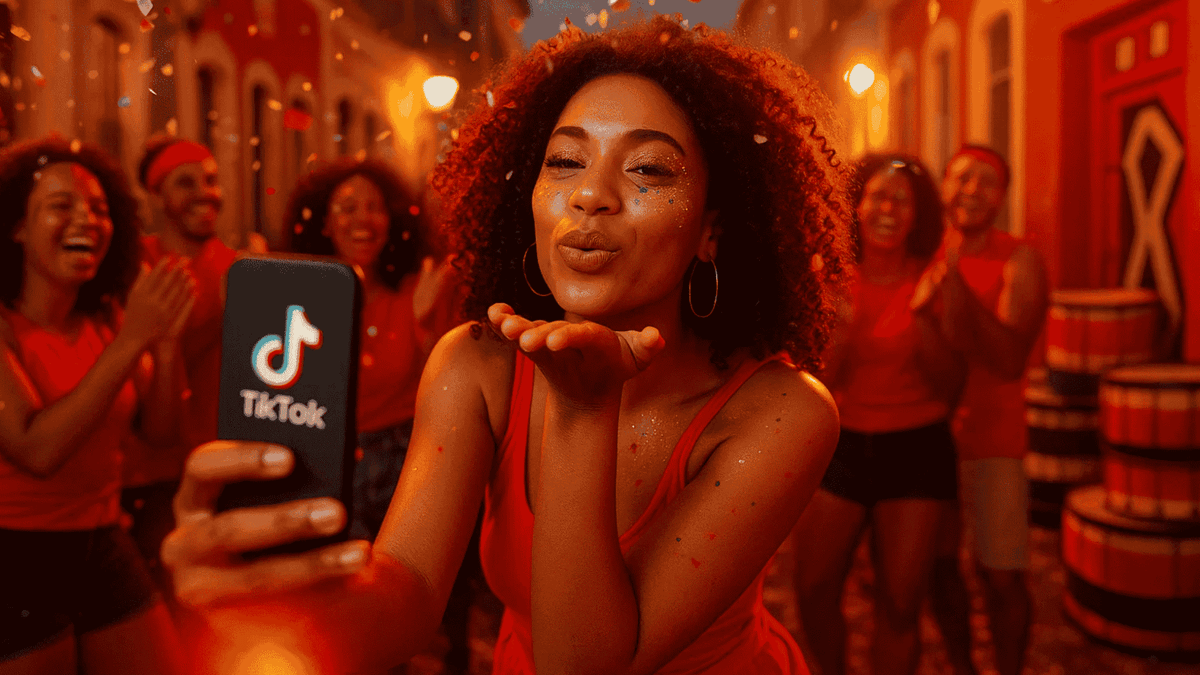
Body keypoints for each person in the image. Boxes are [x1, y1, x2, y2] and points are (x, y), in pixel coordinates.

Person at [161, 17, 851, 675]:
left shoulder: (783, 411)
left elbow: (584, 664)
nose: (591, 195)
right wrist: (285, 604)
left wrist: (582, 408)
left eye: (648, 170)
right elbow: (407, 590)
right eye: (565, 160)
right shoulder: (477, 363)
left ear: (712, 230)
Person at [0, 137, 194, 674]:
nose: (86, 219)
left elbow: (161, 434)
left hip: (103, 541)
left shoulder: (106, 319)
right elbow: (36, 450)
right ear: (16, 226)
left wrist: (166, 342)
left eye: (99, 209)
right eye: (61, 206)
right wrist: (134, 340)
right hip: (16, 554)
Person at [790, 155, 963, 675]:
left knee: (901, 604)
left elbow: (953, 387)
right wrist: (840, 324)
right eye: (878, 196)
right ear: (856, 207)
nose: (888, 208)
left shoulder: (935, 279)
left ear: (919, 215)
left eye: (902, 200)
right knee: (814, 588)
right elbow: (816, 384)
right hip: (840, 443)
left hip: (917, 448)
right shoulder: (831, 277)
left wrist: (923, 319)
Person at [914, 145, 1049, 675]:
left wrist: (956, 284)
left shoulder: (1020, 258)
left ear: (1002, 198)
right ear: (944, 187)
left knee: (1000, 574)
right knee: (939, 569)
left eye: (986, 182)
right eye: (962, 179)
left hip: (994, 443)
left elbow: (1010, 358)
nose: (971, 191)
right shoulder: (920, 252)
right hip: (927, 440)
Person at [285, 158, 459, 541]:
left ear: (392, 221)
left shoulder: (422, 286)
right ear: (325, 224)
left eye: (375, 207)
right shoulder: (301, 298)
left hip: (408, 459)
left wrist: (424, 324)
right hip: (326, 462)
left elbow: (449, 395)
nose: (363, 220)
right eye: (347, 209)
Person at [119, 135, 239, 594]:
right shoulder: (138, 267)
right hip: (154, 477)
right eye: (185, 182)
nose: (205, 193)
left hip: (223, 468)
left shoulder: (234, 265)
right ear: (156, 195)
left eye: (210, 180)